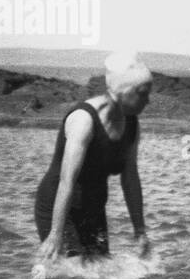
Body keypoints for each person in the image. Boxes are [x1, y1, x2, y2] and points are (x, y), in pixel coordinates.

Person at [35, 52, 153, 260]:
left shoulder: (132, 124)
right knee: (72, 275)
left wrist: (140, 232)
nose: (148, 101)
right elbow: (67, 181)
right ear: (124, 91)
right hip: (59, 205)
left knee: (99, 276)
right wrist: (55, 234)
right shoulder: (83, 120)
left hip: (93, 206)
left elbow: (131, 180)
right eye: (143, 94)